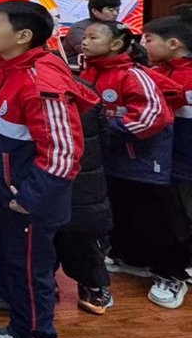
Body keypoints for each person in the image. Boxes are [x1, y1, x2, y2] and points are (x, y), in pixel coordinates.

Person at [0, 1, 97, 338]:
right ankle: (6, 295)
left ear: (23, 36)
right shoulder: (7, 69)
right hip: (3, 191)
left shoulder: (40, 81)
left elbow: (63, 152)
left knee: (29, 270)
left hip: (26, 201)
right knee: (3, 251)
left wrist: (29, 198)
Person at [81, 20, 186, 309]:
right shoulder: (89, 72)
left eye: (93, 37)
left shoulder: (133, 75)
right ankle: (131, 259)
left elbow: (154, 118)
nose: (84, 42)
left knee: (157, 218)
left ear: (116, 44)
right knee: (122, 212)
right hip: (111, 162)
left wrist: (103, 130)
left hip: (143, 163)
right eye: (84, 37)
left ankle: (171, 275)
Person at [53, 76, 114, 314]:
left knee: (83, 231)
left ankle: (94, 285)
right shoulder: (13, 80)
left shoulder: (81, 88)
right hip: (45, 173)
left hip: (82, 173)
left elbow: (102, 137)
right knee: (40, 233)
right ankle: (45, 282)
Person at [144, 16, 192, 266]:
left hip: (185, 156)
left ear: (173, 44)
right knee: (171, 209)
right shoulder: (154, 73)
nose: (144, 46)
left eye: (149, 40)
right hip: (164, 158)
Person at [63, 0, 122, 64]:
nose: (115, 13)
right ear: (95, 11)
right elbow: (89, 51)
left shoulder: (119, 26)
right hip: (78, 67)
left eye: (117, 10)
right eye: (111, 10)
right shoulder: (79, 28)